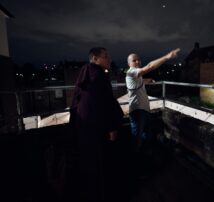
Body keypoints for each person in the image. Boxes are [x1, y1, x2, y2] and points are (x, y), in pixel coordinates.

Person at [70, 47, 124, 202]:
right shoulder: (99, 75)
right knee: (100, 164)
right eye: (106, 56)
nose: (109, 59)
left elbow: (76, 99)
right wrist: (112, 127)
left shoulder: (85, 72)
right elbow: (105, 103)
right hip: (96, 127)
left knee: (88, 163)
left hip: (83, 125)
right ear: (95, 58)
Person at [126, 48, 180, 153]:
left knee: (146, 136)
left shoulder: (136, 75)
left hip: (143, 110)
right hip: (138, 111)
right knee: (137, 139)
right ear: (129, 64)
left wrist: (147, 80)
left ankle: (145, 159)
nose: (137, 61)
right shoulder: (131, 72)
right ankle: (135, 161)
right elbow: (150, 66)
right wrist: (167, 56)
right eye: (134, 60)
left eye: (138, 59)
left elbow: (139, 81)